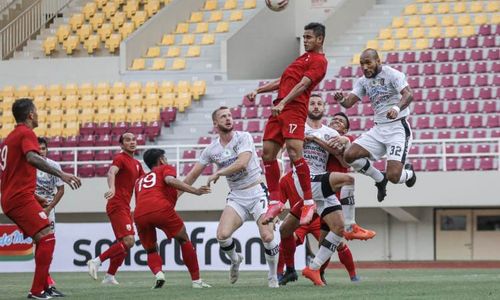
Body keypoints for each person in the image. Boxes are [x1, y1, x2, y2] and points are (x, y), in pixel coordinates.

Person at [184, 107, 280, 288]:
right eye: (223, 116)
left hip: (257, 191)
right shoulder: (211, 149)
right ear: (215, 124)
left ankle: (273, 276)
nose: (228, 119)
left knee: (267, 237)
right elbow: (192, 176)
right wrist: (176, 195)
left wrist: (218, 173)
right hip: (237, 196)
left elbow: (242, 162)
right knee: (222, 235)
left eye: (229, 115)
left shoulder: (244, 137)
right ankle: (236, 260)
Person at [245, 22, 328, 225]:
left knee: (293, 152)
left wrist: (284, 102)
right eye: (304, 37)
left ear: (320, 39)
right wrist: (259, 90)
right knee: (267, 153)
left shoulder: (319, 61)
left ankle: (309, 201)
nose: (305, 41)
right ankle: (275, 200)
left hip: (294, 108)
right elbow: (282, 82)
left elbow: (303, 85)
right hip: (279, 108)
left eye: (309, 37)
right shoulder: (301, 59)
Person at [0, 98, 81, 299]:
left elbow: (12, 175)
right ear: (30, 115)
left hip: (15, 197)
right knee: (47, 236)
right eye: (36, 111)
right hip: (19, 199)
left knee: (42, 238)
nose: (38, 114)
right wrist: (61, 174)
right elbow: (32, 158)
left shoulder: (9, 138)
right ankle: (37, 291)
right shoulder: (26, 133)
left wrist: (35, 197)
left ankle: (44, 287)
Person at [271, 95, 353, 286]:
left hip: (318, 185)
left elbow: (343, 161)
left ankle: (313, 270)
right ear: (306, 107)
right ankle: (295, 269)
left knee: (334, 231)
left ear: (324, 107)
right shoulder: (297, 126)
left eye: (319, 103)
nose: (316, 106)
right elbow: (283, 149)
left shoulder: (330, 133)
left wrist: (322, 141)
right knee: (289, 231)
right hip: (303, 183)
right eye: (312, 103)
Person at [333, 48, 416, 202]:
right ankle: (379, 178)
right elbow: (349, 103)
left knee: (394, 176)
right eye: (362, 64)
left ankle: (409, 174)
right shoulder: (363, 81)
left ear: (378, 61)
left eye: (368, 63)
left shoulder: (392, 74)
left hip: (397, 128)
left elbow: (409, 94)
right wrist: (341, 100)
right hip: (378, 129)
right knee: (349, 155)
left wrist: (397, 108)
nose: (365, 67)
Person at [134, 149, 211, 289]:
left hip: (139, 213)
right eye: (165, 158)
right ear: (161, 160)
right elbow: (170, 180)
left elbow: (143, 199)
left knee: (151, 250)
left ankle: (158, 274)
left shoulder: (140, 180)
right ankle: (196, 281)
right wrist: (195, 191)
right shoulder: (165, 168)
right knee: (184, 239)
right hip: (160, 208)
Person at [87, 133, 144, 284]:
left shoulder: (137, 163)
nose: (132, 142)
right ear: (121, 145)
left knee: (125, 244)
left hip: (125, 206)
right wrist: (112, 187)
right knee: (129, 241)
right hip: (116, 204)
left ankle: (110, 276)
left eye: (133, 139)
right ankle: (96, 261)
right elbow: (111, 172)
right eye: (127, 140)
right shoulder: (120, 158)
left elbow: (144, 182)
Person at [327, 112, 376, 241]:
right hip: (317, 186)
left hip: (334, 191)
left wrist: (344, 143)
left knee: (334, 238)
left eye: (341, 121)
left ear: (345, 130)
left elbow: (345, 162)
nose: (336, 121)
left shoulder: (350, 141)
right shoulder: (322, 135)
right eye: (334, 119)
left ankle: (350, 228)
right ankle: (350, 228)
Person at [35, 137, 65, 297]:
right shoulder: (28, 165)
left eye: (43, 148)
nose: (41, 151)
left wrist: (49, 208)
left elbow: (61, 189)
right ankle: (45, 284)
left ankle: (46, 284)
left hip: (49, 209)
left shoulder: (54, 166)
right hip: (32, 208)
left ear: (47, 149)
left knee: (47, 246)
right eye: (38, 149)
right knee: (40, 245)